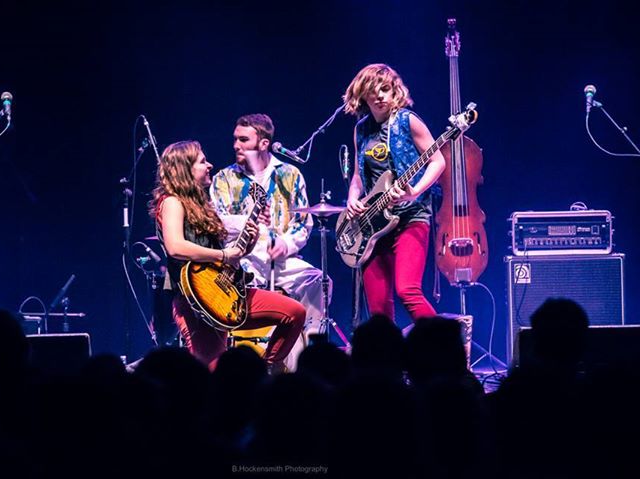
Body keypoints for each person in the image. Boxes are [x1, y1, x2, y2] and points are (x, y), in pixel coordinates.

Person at [150, 140, 305, 372]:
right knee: (211, 372)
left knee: (293, 313)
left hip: (225, 293)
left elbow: (231, 256)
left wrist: (248, 242)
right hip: (196, 300)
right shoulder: (172, 201)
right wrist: (223, 255)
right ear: (185, 169)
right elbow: (175, 247)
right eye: (202, 161)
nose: (210, 165)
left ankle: (265, 370)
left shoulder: (202, 205)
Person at [210, 113, 330, 371]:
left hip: (282, 259)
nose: (236, 145)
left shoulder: (290, 175)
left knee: (319, 281)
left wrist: (285, 244)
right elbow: (217, 222)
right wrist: (246, 220)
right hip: (243, 260)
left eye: (243, 139)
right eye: (235, 139)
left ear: (264, 143)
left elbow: (303, 221)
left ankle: (301, 360)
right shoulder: (223, 179)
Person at [343, 63, 445, 323]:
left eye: (385, 89)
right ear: (362, 95)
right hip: (373, 225)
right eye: (372, 90)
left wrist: (415, 191)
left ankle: (445, 349)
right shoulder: (361, 129)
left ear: (395, 91)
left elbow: (437, 161)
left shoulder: (407, 120)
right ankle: (387, 361)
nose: (379, 95)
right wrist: (353, 199)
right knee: (378, 308)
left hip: (411, 217)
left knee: (407, 290)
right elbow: (357, 176)